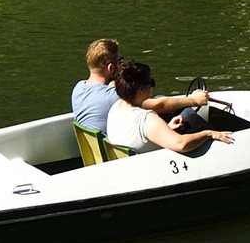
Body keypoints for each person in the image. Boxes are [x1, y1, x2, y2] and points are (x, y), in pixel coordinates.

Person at [71, 38, 207, 135]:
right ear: (111, 67)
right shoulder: (114, 96)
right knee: (186, 114)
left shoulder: (78, 88)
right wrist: (194, 100)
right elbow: (159, 105)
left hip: (109, 148)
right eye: (120, 61)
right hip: (128, 155)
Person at [104, 58, 234, 158]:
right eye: (151, 82)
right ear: (141, 89)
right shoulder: (147, 120)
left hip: (130, 164)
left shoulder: (116, 107)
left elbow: (136, 137)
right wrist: (209, 134)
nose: (152, 86)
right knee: (201, 127)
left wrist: (166, 129)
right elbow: (181, 144)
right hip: (152, 169)